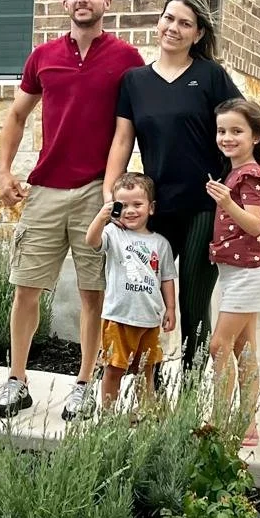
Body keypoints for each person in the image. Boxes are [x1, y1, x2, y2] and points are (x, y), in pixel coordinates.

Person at [0, 0, 144, 419]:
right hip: (44, 190)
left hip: (96, 196)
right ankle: (17, 381)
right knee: (26, 288)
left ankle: (83, 383)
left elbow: (138, 126)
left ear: (107, 1)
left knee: (92, 294)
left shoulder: (127, 59)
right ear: (65, 1)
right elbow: (17, 115)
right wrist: (4, 172)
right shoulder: (44, 56)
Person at [103, 0, 251, 369]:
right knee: (146, 298)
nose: (174, 27)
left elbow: (246, 125)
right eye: (169, 18)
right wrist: (110, 194)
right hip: (157, 211)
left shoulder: (210, 76)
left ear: (198, 33)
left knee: (192, 306)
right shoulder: (134, 81)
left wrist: (251, 178)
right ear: (159, 22)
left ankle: (190, 398)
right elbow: (122, 139)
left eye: (185, 23)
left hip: (204, 208)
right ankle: (148, 395)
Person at [206, 97, 260, 448]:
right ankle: (248, 423)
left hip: (249, 273)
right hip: (237, 272)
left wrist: (226, 202)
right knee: (244, 350)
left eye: (237, 131)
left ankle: (219, 420)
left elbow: (253, 225)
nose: (227, 137)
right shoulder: (239, 171)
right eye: (222, 130)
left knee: (219, 345)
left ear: (256, 137)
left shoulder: (249, 176)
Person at [79, 172, 176, 418]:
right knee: (114, 368)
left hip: (149, 320)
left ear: (151, 208)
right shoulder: (114, 234)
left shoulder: (160, 244)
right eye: (123, 205)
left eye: (138, 204)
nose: (130, 210)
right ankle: (109, 414)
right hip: (119, 317)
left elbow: (166, 278)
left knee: (147, 370)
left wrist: (171, 309)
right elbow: (91, 241)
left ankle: (144, 410)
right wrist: (102, 218)